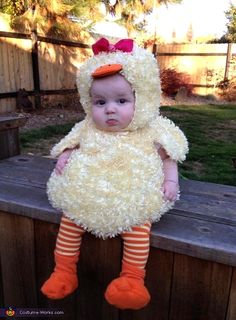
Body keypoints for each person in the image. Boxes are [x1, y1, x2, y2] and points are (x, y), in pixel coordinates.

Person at [41, 38, 188, 310]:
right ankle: (64, 270)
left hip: (132, 199)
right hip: (87, 196)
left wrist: (170, 181)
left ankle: (132, 278)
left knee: (138, 229)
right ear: (88, 102)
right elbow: (70, 142)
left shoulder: (152, 129)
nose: (110, 109)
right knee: (70, 221)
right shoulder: (87, 127)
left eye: (121, 100)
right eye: (99, 102)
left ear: (142, 99)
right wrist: (65, 155)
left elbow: (170, 156)